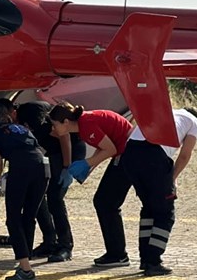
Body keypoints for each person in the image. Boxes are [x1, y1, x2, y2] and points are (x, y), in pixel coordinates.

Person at [48, 101, 135, 269]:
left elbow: (109, 149)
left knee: (105, 202)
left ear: (66, 123)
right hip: (124, 153)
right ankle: (116, 253)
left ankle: (118, 254)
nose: (53, 130)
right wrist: (89, 169)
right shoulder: (85, 124)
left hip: (128, 154)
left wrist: (87, 163)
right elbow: (104, 146)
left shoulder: (86, 125)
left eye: (54, 125)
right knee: (104, 202)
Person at [119, 107, 197, 276]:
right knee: (165, 213)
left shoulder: (170, 111)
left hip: (130, 154)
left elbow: (130, 132)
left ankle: (145, 258)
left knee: (149, 208)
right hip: (153, 155)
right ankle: (153, 261)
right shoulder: (194, 122)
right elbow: (185, 155)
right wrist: (171, 178)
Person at [0, 99, 49, 280]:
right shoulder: (21, 128)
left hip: (22, 168)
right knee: (29, 216)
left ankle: (26, 270)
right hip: (43, 167)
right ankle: (25, 263)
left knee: (13, 218)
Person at [15, 100, 84, 263]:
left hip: (68, 150)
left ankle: (65, 245)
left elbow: (64, 136)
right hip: (52, 152)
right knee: (36, 195)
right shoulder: (22, 120)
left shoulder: (33, 117)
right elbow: (41, 144)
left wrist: (67, 167)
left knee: (55, 198)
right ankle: (49, 241)